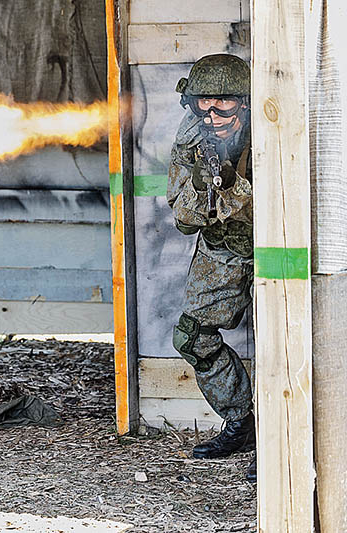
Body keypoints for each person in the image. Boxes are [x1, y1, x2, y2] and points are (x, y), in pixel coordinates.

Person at [166, 54, 256, 482]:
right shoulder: (191, 139)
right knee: (193, 336)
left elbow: (280, 205)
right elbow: (183, 221)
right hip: (222, 249)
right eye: (204, 101)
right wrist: (204, 186)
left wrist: (233, 185)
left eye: (224, 102)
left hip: (275, 249)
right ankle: (242, 422)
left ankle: (282, 437)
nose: (212, 112)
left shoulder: (269, 130)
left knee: (282, 345)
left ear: (244, 101)